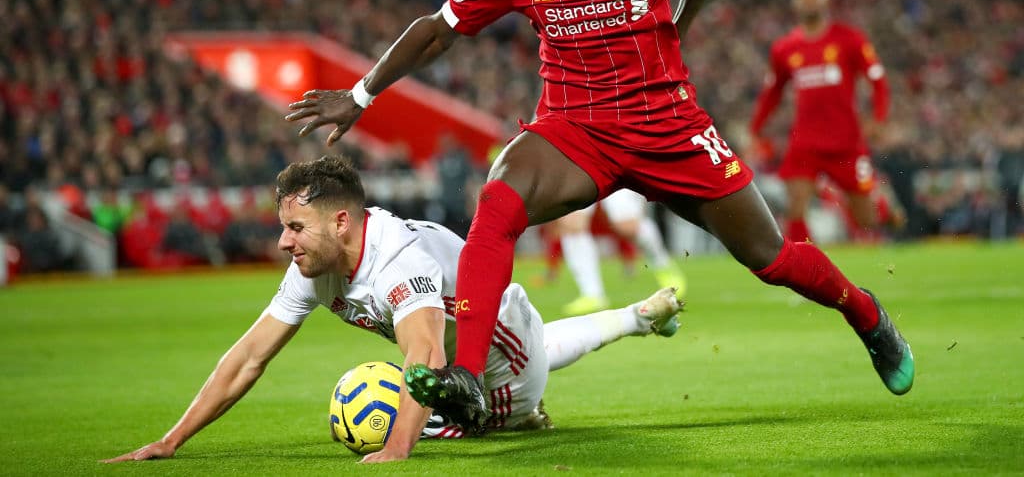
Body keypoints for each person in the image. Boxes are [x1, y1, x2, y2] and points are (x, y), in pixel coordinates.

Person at [285, 0, 915, 430]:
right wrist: (362, 93)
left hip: (668, 125)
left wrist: (683, 21)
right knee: (499, 200)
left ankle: (868, 315)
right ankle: (469, 379)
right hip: (575, 130)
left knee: (769, 257)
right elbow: (438, 30)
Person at [104, 155, 681, 465]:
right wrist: (172, 439)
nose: (284, 242)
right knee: (525, 351)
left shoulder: (398, 262)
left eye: (294, 228)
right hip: (503, 326)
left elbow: (425, 357)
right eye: (284, 228)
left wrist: (398, 448)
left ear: (340, 222)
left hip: (494, 373)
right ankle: (636, 317)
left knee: (486, 386)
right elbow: (249, 356)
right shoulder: (318, 262)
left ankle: (521, 414)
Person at [749, 0, 894, 244]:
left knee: (865, 218)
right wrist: (756, 129)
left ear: (826, 1)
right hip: (806, 142)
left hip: (846, 142)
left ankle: (884, 210)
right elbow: (772, 93)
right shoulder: (784, 49)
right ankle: (803, 265)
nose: (808, 2)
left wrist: (879, 119)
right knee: (795, 203)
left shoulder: (849, 39)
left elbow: (878, 82)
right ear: (795, 5)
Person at [548, 189, 687, 316]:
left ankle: (662, 265)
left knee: (627, 227)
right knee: (571, 222)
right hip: (585, 163)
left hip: (617, 163)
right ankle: (592, 294)